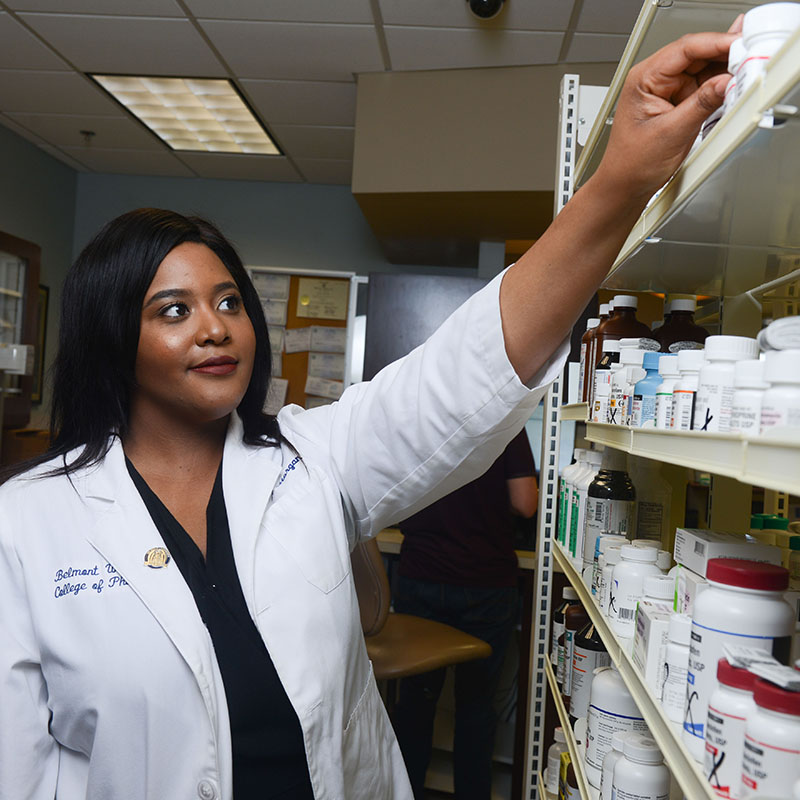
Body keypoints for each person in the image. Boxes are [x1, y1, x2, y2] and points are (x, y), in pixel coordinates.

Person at [0, 27, 740, 800]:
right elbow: (20, 767)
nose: (215, 326)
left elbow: (465, 372)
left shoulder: (311, 458)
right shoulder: (27, 524)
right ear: (115, 340)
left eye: (228, 302)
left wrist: (620, 179)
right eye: (174, 310)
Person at [391, 429, 538, 799]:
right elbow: (526, 504)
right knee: (476, 707)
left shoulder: (417, 416)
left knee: (415, 704)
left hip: (421, 576)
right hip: (484, 583)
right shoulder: (508, 421)